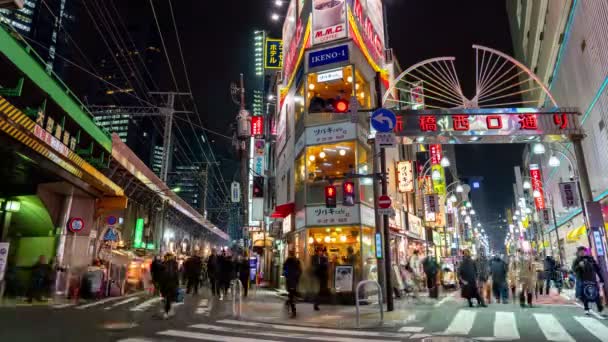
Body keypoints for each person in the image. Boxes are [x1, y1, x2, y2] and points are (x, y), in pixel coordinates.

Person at [572, 246, 604, 315]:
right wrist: (579, 266)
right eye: (581, 252)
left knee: (596, 293)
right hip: (582, 279)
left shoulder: (591, 259)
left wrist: (601, 278)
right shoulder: (576, 260)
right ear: (578, 253)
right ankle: (586, 308)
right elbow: (574, 269)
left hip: (592, 279)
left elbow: (597, 269)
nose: (582, 253)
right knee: (584, 294)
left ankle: (600, 308)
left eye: (583, 251)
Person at [159, 253, 179, 319]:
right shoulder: (174, 263)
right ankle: (167, 312)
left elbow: (161, 274)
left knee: (167, 297)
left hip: (165, 284)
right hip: (171, 283)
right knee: (169, 298)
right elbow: (176, 274)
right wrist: (177, 283)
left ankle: (167, 311)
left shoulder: (163, 263)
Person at [283, 250, 302, 318]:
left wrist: (287, 275)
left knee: (291, 295)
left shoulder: (288, 261)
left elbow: (284, 270)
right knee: (292, 294)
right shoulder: (296, 261)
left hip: (290, 280)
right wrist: (297, 278)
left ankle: (293, 311)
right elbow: (300, 271)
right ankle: (292, 307)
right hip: (293, 281)